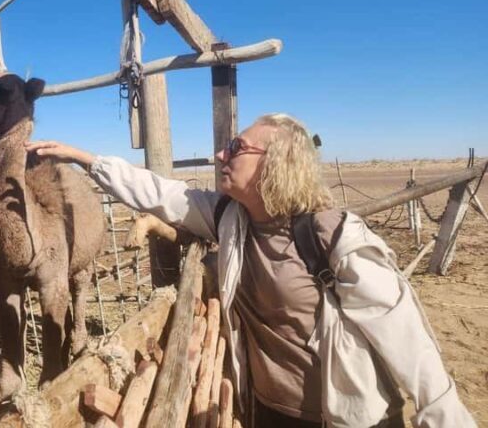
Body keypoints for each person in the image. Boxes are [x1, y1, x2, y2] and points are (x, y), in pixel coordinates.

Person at [25, 113, 475, 428]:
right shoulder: (230, 217)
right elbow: (159, 193)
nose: (221, 154)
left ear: (275, 164)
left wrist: (445, 418)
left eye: (236, 147)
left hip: (346, 416)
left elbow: (409, 343)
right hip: (268, 410)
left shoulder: (331, 237)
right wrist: (83, 157)